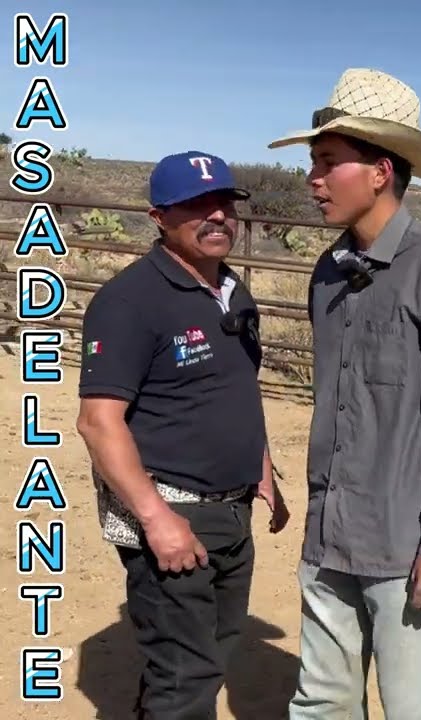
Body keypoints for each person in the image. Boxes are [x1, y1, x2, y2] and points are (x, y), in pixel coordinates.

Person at [267, 68, 421, 719]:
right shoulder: (327, 274)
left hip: (404, 545)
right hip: (329, 535)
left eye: (328, 163)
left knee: (417, 710)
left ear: (380, 171)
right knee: (322, 704)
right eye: (313, 162)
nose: (312, 178)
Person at [76, 150, 290, 719]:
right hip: (174, 514)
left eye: (224, 204)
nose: (216, 216)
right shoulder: (129, 302)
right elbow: (99, 423)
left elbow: (235, 386)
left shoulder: (233, 292)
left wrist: (262, 468)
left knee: (207, 655)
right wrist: (156, 519)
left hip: (233, 510)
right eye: (196, 206)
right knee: (184, 679)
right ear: (159, 217)